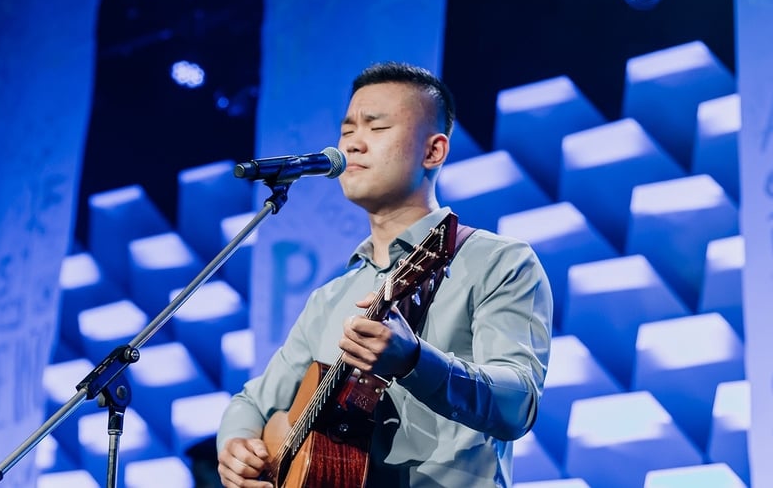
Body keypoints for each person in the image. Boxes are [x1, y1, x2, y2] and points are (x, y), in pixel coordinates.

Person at [216, 62, 552, 487]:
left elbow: (518, 404)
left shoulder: (498, 261)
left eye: (376, 128)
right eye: (347, 129)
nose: (354, 143)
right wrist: (236, 445)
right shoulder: (331, 296)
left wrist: (415, 361)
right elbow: (254, 401)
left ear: (433, 151)